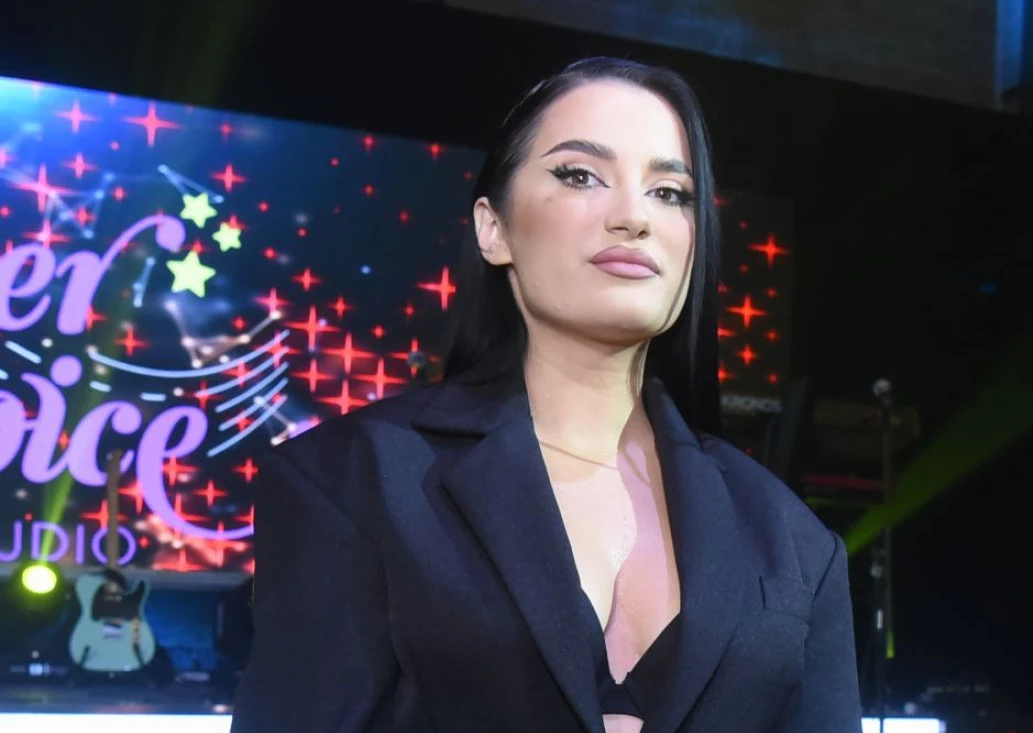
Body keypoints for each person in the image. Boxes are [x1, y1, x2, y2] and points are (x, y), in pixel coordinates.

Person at [229, 57, 862, 733]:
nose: (633, 217)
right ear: (493, 228)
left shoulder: (792, 540)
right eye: (580, 175)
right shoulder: (351, 479)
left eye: (669, 192)